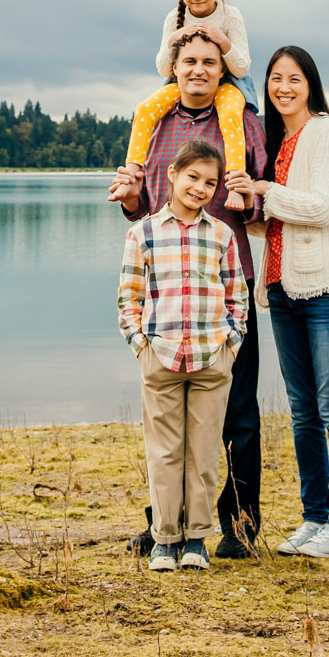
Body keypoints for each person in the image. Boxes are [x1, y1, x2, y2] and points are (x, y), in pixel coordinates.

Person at [110, 29, 269, 557]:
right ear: (173, 69)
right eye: (189, 61)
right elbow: (146, 207)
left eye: (209, 61)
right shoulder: (153, 123)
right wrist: (131, 203)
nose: (198, 69)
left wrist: (233, 331)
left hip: (227, 284)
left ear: (222, 68)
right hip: (166, 295)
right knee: (168, 425)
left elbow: (258, 198)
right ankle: (166, 527)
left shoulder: (242, 120)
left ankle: (239, 526)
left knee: (238, 415)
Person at [226, 45, 329, 559]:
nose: (283, 88)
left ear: (311, 83)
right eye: (275, 79)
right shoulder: (282, 141)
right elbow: (280, 222)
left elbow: (323, 208)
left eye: (294, 78)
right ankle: (314, 518)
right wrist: (244, 205)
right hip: (282, 290)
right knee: (303, 412)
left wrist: (264, 187)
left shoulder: (328, 133)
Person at [117, 140, 249, 571]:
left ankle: (196, 539)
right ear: (172, 174)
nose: (200, 188)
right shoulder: (143, 233)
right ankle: (164, 540)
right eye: (192, 177)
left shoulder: (222, 234)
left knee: (204, 452)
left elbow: (237, 295)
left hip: (212, 357)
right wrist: (141, 346)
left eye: (210, 182)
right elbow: (129, 297)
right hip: (162, 356)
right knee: (164, 452)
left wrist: (233, 341)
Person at [112, 0, 254, 210]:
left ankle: (234, 185)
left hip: (228, 86)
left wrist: (221, 41)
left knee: (231, 113)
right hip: (178, 87)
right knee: (144, 109)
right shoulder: (172, 18)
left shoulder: (230, 16)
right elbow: (165, 68)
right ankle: (131, 174)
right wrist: (173, 40)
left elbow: (242, 67)